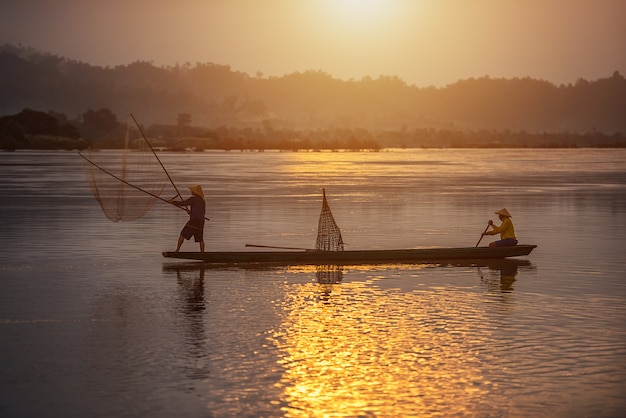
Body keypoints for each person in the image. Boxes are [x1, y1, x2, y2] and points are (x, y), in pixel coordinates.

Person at [170, 185, 206, 252]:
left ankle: (177, 250)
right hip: (201, 220)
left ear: (195, 192)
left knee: (182, 234)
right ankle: (202, 253)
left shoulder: (193, 199)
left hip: (194, 220)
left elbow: (183, 203)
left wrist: (173, 202)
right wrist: (191, 212)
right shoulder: (202, 201)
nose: (191, 191)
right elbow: (202, 212)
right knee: (200, 239)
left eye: (192, 191)